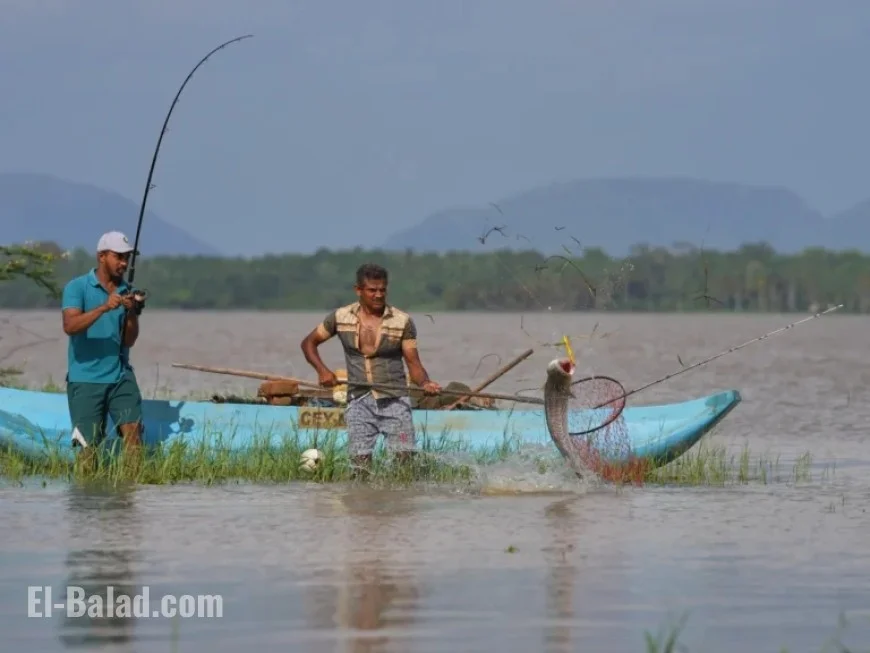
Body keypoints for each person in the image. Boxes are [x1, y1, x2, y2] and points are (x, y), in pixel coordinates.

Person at [300, 263, 441, 474]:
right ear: (359, 290)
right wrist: (323, 371)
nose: (378, 295)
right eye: (372, 290)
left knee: (405, 463)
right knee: (360, 467)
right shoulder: (340, 317)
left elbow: (413, 363)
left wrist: (425, 383)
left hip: (394, 399)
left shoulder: (402, 322)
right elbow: (308, 343)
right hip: (358, 401)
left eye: (382, 290)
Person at [60, 231, 146, 470]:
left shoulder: (128, 290)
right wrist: (104, 307)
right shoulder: (76, 287)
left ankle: (129, 498)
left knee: (133, 436)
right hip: (85, 379)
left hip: (120, 375)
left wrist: (132, 312)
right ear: (101, 256)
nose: (123, 263)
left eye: (126, 257)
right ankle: (88, 500)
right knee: (87, 451)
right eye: (118, 256)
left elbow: (128, 341)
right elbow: (70, 326)